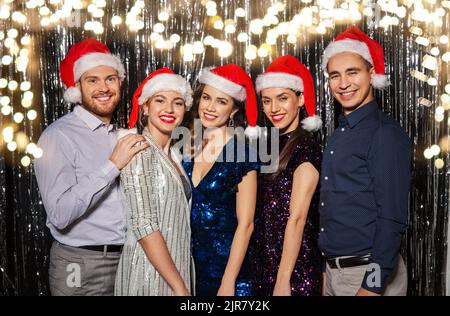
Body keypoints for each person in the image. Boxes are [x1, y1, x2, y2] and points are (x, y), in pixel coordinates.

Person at [34, 38, 148, 296]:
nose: (103, 88)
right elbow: (60, 215)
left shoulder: (120, 135)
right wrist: (112, 166)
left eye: (110, 78)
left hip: (128, 260)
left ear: (119, 82)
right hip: (80, 264)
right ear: (77, 88)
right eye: (92, 80)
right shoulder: (58, 136)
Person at [319, 25, 411, 296]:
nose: (343, 84)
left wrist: (371, 285)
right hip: (336, 274)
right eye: (335, 75)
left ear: (372, 74)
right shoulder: (340, 132)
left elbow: (392, 217)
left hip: (367, 275)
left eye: (353, 72)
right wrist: (327, 272)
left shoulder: (384, 133)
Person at [182, 64, 260, 296]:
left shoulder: (242, 154)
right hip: (191, 269)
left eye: (221, 101)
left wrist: (228, 281)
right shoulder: (188, 148)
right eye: (206, 97)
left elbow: (246, 225)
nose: (210, 107)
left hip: (229, 271)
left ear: (234, 110)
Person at [114, 68, 193, 296]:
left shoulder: (176, 155)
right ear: (145, 107)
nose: (169, 109)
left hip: (175, 267)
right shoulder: (138, 149)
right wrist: (179, 287)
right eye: (160, 100)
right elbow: (144, 225)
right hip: (147, 273)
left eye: (177, 103)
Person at [252, 55, 323, 296]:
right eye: (267, 100)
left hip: (295, 271)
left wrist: (283, 280)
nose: (274, 108)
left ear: (300, 99)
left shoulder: (306, 148)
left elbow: (298, 218)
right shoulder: (268, 146)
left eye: (283, 99)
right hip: (264, 266)